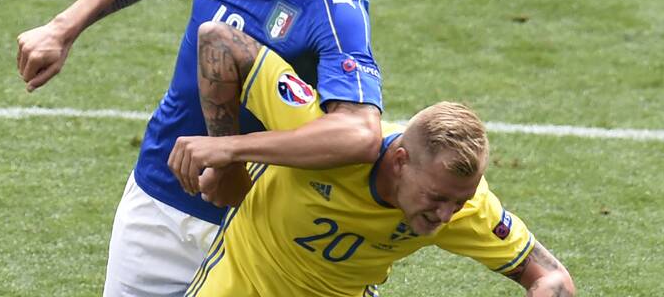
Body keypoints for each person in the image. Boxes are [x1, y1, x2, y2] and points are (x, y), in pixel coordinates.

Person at [16, 0, 384, 297]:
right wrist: (63, 27)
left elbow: (360, 133)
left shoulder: (335, 10)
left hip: (254, 225)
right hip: (157, 198)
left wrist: (228, 151)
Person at [169, 22, 577, 297]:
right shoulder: (328, 139)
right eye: (437, 197)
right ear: (400, 161)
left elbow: (551, 275)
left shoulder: (464, 206)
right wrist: (228, 157)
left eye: (459, 201)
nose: (448, 215)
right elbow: (218, 39)